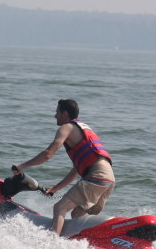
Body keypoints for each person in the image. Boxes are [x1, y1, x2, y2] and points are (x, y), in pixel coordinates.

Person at [12, 99, 115, 236]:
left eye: (57, 112)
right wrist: (55, 189)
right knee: (77, 214)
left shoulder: (66, 128)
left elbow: (47, 154)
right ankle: (86, 242)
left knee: (59, 208)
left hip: (96, 177)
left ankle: (51, 244)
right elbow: (75, 172)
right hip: (109, 180)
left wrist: (22, 166)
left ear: (65, 114)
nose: (55, 116)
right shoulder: (83, 129)